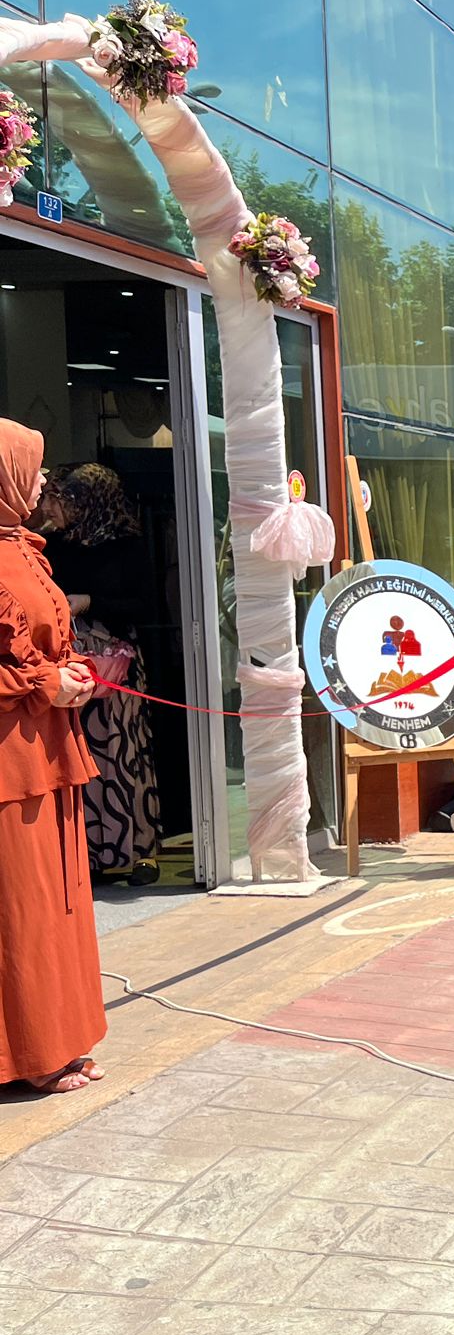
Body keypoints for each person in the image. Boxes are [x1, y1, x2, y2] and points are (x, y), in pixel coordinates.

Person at [0, 419, 108, 1095]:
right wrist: (46, 683)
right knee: (23, 905)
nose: (43, 480)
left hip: (46, 743)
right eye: (31, 468)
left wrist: (69, 672)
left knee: (60, 900)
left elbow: (40, 642)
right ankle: (29, 1053)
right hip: (12, 757)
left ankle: (59, 1038)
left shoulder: (21, 547)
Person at [38, 463, 164, 884]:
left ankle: (141, 851)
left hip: (117, 665)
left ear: (86, 503)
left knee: (125, 752)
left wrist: (90, 600)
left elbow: (145, 607)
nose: (49, 506)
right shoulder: (49, 544)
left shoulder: (125, 546)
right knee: (81, 755)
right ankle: (91, 855)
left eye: (59, 499)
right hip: (71, 664)